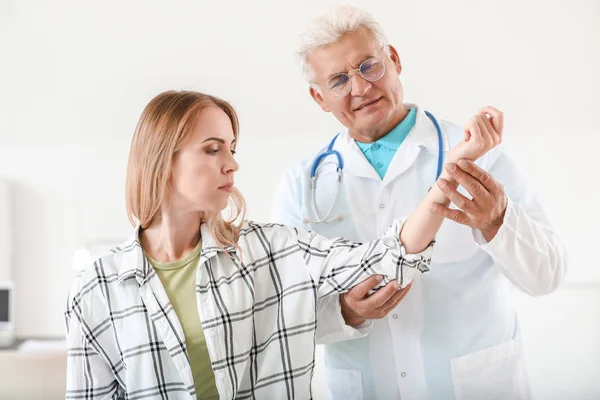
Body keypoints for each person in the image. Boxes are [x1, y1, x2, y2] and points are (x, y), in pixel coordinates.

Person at [64, 90, 500, 399]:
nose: (232, 164)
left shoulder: (269, 251)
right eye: (213, 149)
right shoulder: (96, 289)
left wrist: (450, 177)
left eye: (232, 148)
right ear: (163, 159)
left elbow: (387, 259)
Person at [270, 6, 568, 400]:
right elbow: (285, 317)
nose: (360, 88)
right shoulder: (301, 185)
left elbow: (546, 275)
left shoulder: (482, 154)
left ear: (393, 60)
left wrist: (497, 220)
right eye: (339, 80)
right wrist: (345, 311)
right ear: (319, 97)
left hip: (478, 386)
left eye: (368, 66)